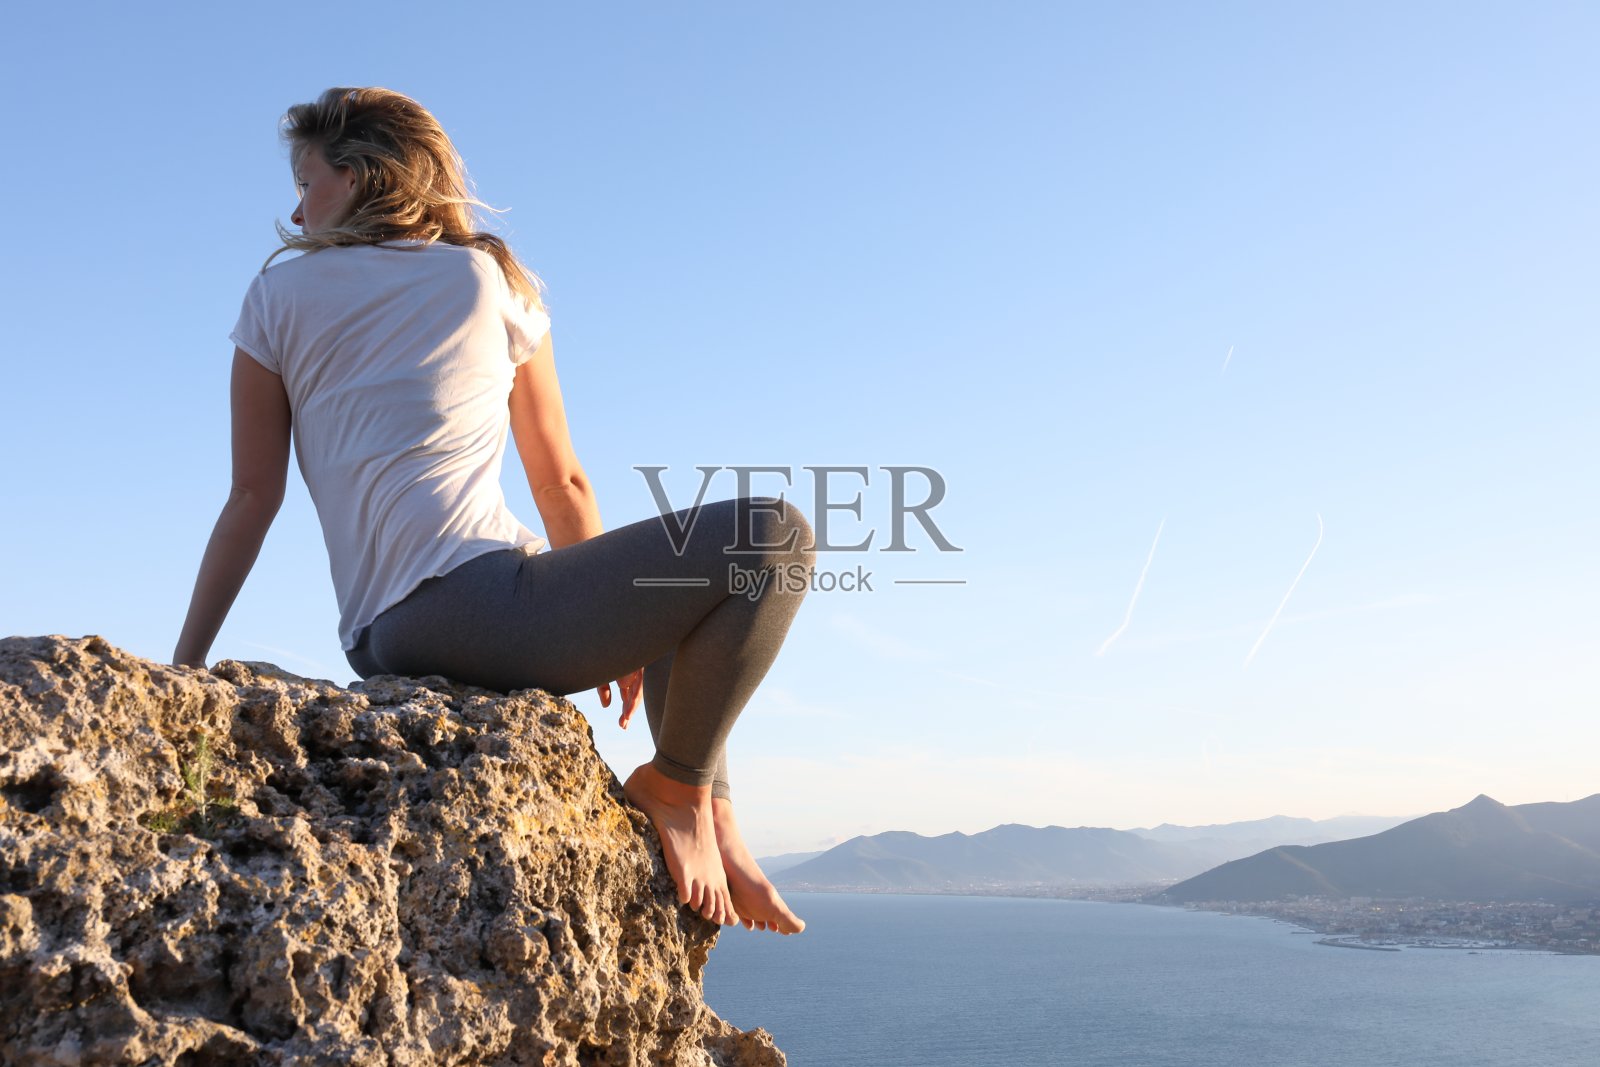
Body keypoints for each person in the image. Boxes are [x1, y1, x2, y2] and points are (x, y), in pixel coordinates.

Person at [172, 86, 812, 934]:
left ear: (358, 176)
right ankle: (679, 786)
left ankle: (715, 814)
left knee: (675, 590)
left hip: (381, 633)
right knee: (773, 536)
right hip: (483, 608)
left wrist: (183, 668)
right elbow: (562, 483)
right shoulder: (485, 278)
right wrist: (615, 636)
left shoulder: (275, 297)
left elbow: (252, 497)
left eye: (305, 181)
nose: (296, 208)